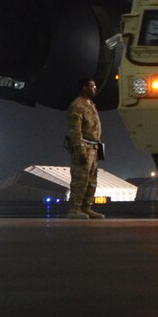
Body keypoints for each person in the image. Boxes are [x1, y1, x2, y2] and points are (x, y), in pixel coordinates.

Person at [65, 78, 106, 218]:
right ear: (84, 88)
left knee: (91, 180)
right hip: (84, 146)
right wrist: (79, 146)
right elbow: (75, 128)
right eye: (92, 86)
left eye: (95, 85)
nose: (95, 88)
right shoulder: (77, 105)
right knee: (80, 178)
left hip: (94, 147)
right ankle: (74, 208)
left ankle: (86, 207)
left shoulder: (91, 105)